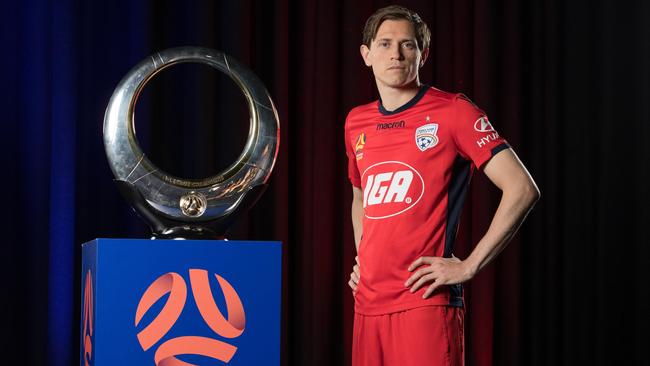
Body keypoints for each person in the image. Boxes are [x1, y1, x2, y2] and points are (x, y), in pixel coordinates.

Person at [344, 5, 540, 366]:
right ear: (366, 54)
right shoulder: (357, 122)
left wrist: (469, 266)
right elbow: (360, 194)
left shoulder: (453, 111)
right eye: (385, 44)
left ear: (423, 53)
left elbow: (522, 188)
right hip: (367, 307)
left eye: (408, 45)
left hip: (425, 303)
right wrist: (365, 258)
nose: (396, 54)